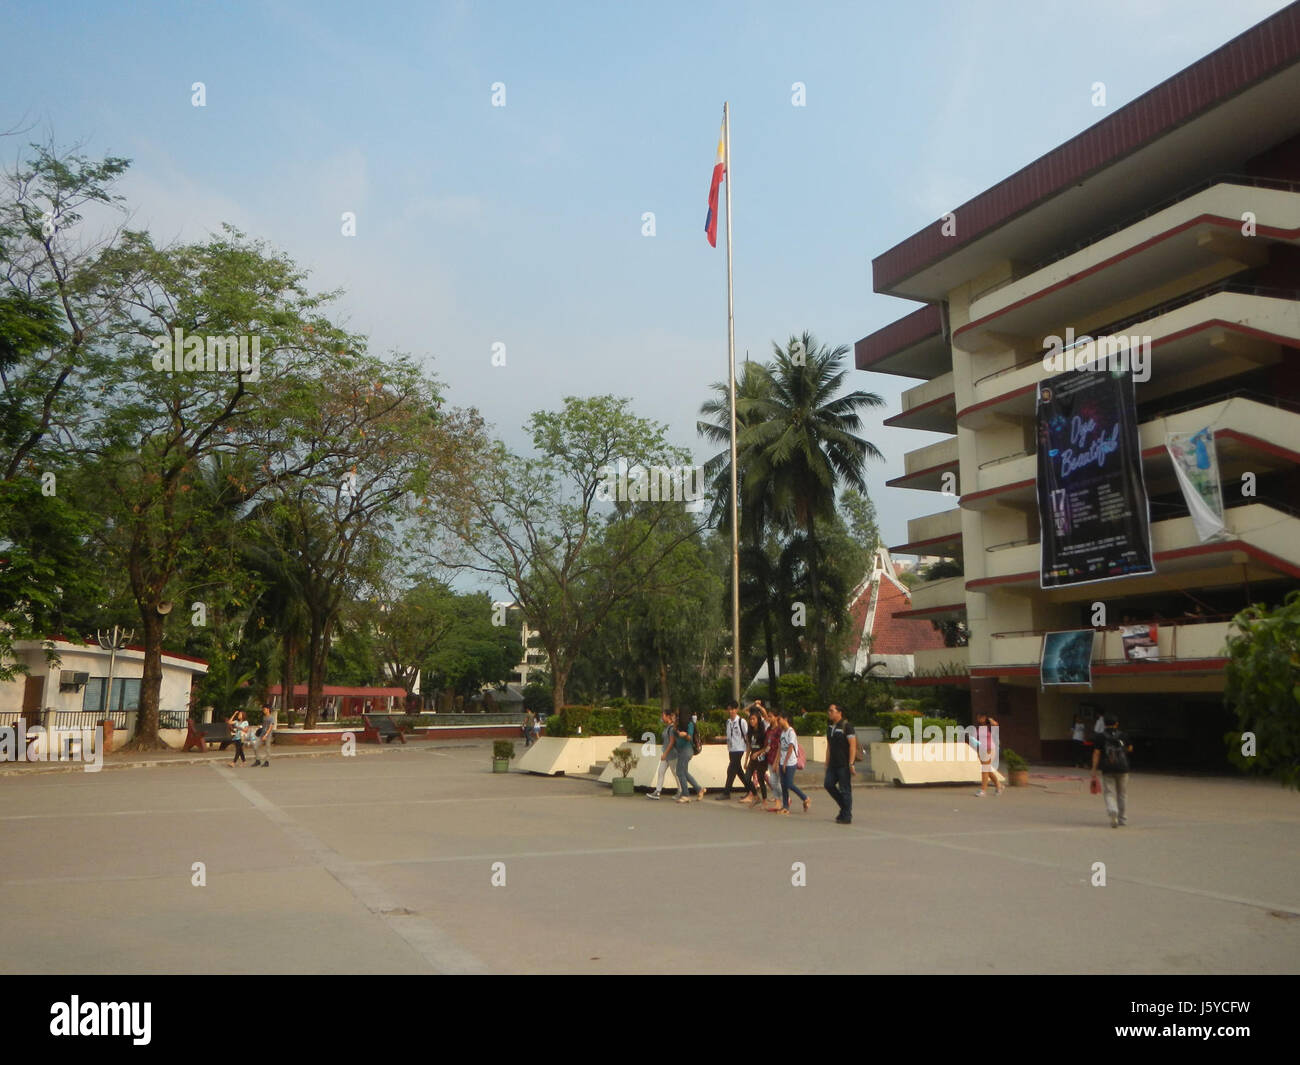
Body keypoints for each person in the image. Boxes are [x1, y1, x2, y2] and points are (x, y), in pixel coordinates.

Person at [1091, 714, 1133, 827]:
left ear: (1104, 724)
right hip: (1123, 768)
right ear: (1116, 724)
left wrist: (1094, 770)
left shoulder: (1100, 737)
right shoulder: (1123, 735)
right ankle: (1122, 819)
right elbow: (1130, 748)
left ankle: (1112, 810)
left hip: (1107, 768)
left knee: (1109, 792)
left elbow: (1096, 753)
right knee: (1122, 794)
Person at [823, 704, 856, 824]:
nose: (829, 713)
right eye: (829, 711)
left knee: (845, 789)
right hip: (832, 764)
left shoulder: (846, 726)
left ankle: (846, 815)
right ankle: (844, 807)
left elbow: (853, 745)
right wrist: (826, 763)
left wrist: (851, 763)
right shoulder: (830, 727)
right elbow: (829, 746)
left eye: (832, 711)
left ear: (839, 712)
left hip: (843, 764)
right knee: (828, 784)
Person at [774, 711, 810, 815]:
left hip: (790, 763)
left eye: (779, 719)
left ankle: (805, 797)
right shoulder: (783, 732)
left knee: (789, 783)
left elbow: (790, 748)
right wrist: (777, 762)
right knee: (783, 785)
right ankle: (785, 806)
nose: (778, 722)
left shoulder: (791, 732)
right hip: (782, 762)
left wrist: (785, 763)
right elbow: (780, 748)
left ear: (785, 719)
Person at [718, 700, 749, 799]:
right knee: (738, 771)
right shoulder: (728, 722)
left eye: (733, 709)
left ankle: (726, 793)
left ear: (737, 710)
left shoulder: (741, 721)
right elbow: (729, 736)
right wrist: (721, 738)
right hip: (731, 749)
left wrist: (749, 749)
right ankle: (750, 790)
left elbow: (747, 735)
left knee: (731, 770)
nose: (731, 711)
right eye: (729, 709)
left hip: (739, 748)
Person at [673, 709, 705, 803]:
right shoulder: (680, 725)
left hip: (686, 750)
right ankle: (699, 789)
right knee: (684, 772)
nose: (679, 716)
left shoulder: (690, 724)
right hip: (681, 750)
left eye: (680, 714)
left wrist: (684, 734)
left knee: (679, 772)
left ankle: (686, 794)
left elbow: (689, 737)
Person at [646, 709, 679, 800]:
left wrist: (665, 753)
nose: (662, 717)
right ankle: (657, 791)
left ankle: (681, 791)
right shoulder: (667, 727)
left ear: (668, 716)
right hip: (666, 755)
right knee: (661, 772)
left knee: (675, 773)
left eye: (663, 715)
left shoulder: (671, 728)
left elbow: (671, 742)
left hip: (672, 755)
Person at [740, 708, 768, 806]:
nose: (752, 721)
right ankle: (756, 795)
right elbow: (748, 746)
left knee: (761, 778)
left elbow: (766, 747)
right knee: (746, 778)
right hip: (752, 758)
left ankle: (764, 800)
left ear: (758, 720)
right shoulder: (750, 732)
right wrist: (746, 760)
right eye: (750, 719)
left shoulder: (762, 732)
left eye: (754, 719)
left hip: (761, 758)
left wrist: (758, 753)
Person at [973, 711, 1003, 796]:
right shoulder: (978, 727)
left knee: (985, 770)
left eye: (981, 717)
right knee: (988, 770)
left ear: (984, 717)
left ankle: (983, 790)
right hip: (982, 749)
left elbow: (996, 725)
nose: (979, 719)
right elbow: (976, 740)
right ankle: (998, 785)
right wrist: (978, 751)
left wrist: (991, 721)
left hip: (990, 749)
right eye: (978, 717)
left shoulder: (990, 726)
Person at [762, 708, 783, 810]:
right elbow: (767, 744)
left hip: (778, 758)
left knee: (776, 781)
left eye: (771, 716)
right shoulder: (769, 730)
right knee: (774, 781)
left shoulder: (779, 730)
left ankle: (784, 798)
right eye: (768, 716)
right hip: (770, 757)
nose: (769, 718)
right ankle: (778, 801)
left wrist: (777, 761)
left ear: (776, 717)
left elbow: (781, 746)